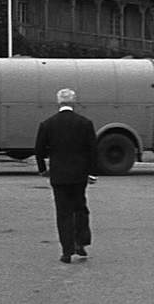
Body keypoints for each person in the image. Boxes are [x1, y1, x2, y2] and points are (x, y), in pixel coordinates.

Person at [34, 88, 97, 264]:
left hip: (58, 175)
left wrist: (42, 169)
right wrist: (92, 172)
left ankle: (66, 251)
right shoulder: (85, 123)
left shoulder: (47, 124)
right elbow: (92, 150)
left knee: (63, 213)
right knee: (80, 208)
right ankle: (81, 242)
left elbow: (39, 150)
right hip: (79, 175)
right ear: (74, 102)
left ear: (58, 102)